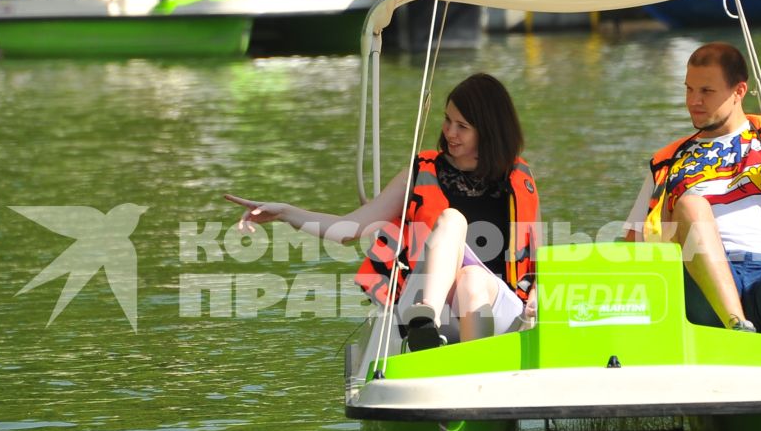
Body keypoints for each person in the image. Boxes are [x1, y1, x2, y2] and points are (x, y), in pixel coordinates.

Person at [226, 72, 538, 351]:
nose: (449, 132)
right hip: (434, 304)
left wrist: (538, 295)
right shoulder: (419, 174)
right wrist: (283, 212)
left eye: (462, 126)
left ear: (488, 131)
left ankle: (474, 378)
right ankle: (424, 321)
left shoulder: (517, 180)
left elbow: (537, 257)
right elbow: (349, 229)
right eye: (447, 120)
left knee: (472, 278)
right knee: (452, 220)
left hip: (496, 309)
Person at [624, 36, 761, 338]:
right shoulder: (668, 162)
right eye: (689, 89)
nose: (693, 101)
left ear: (739, 91)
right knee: (691, 205)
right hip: (702, 289)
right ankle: (737, 327)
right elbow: (632, 243)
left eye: (706, 91)